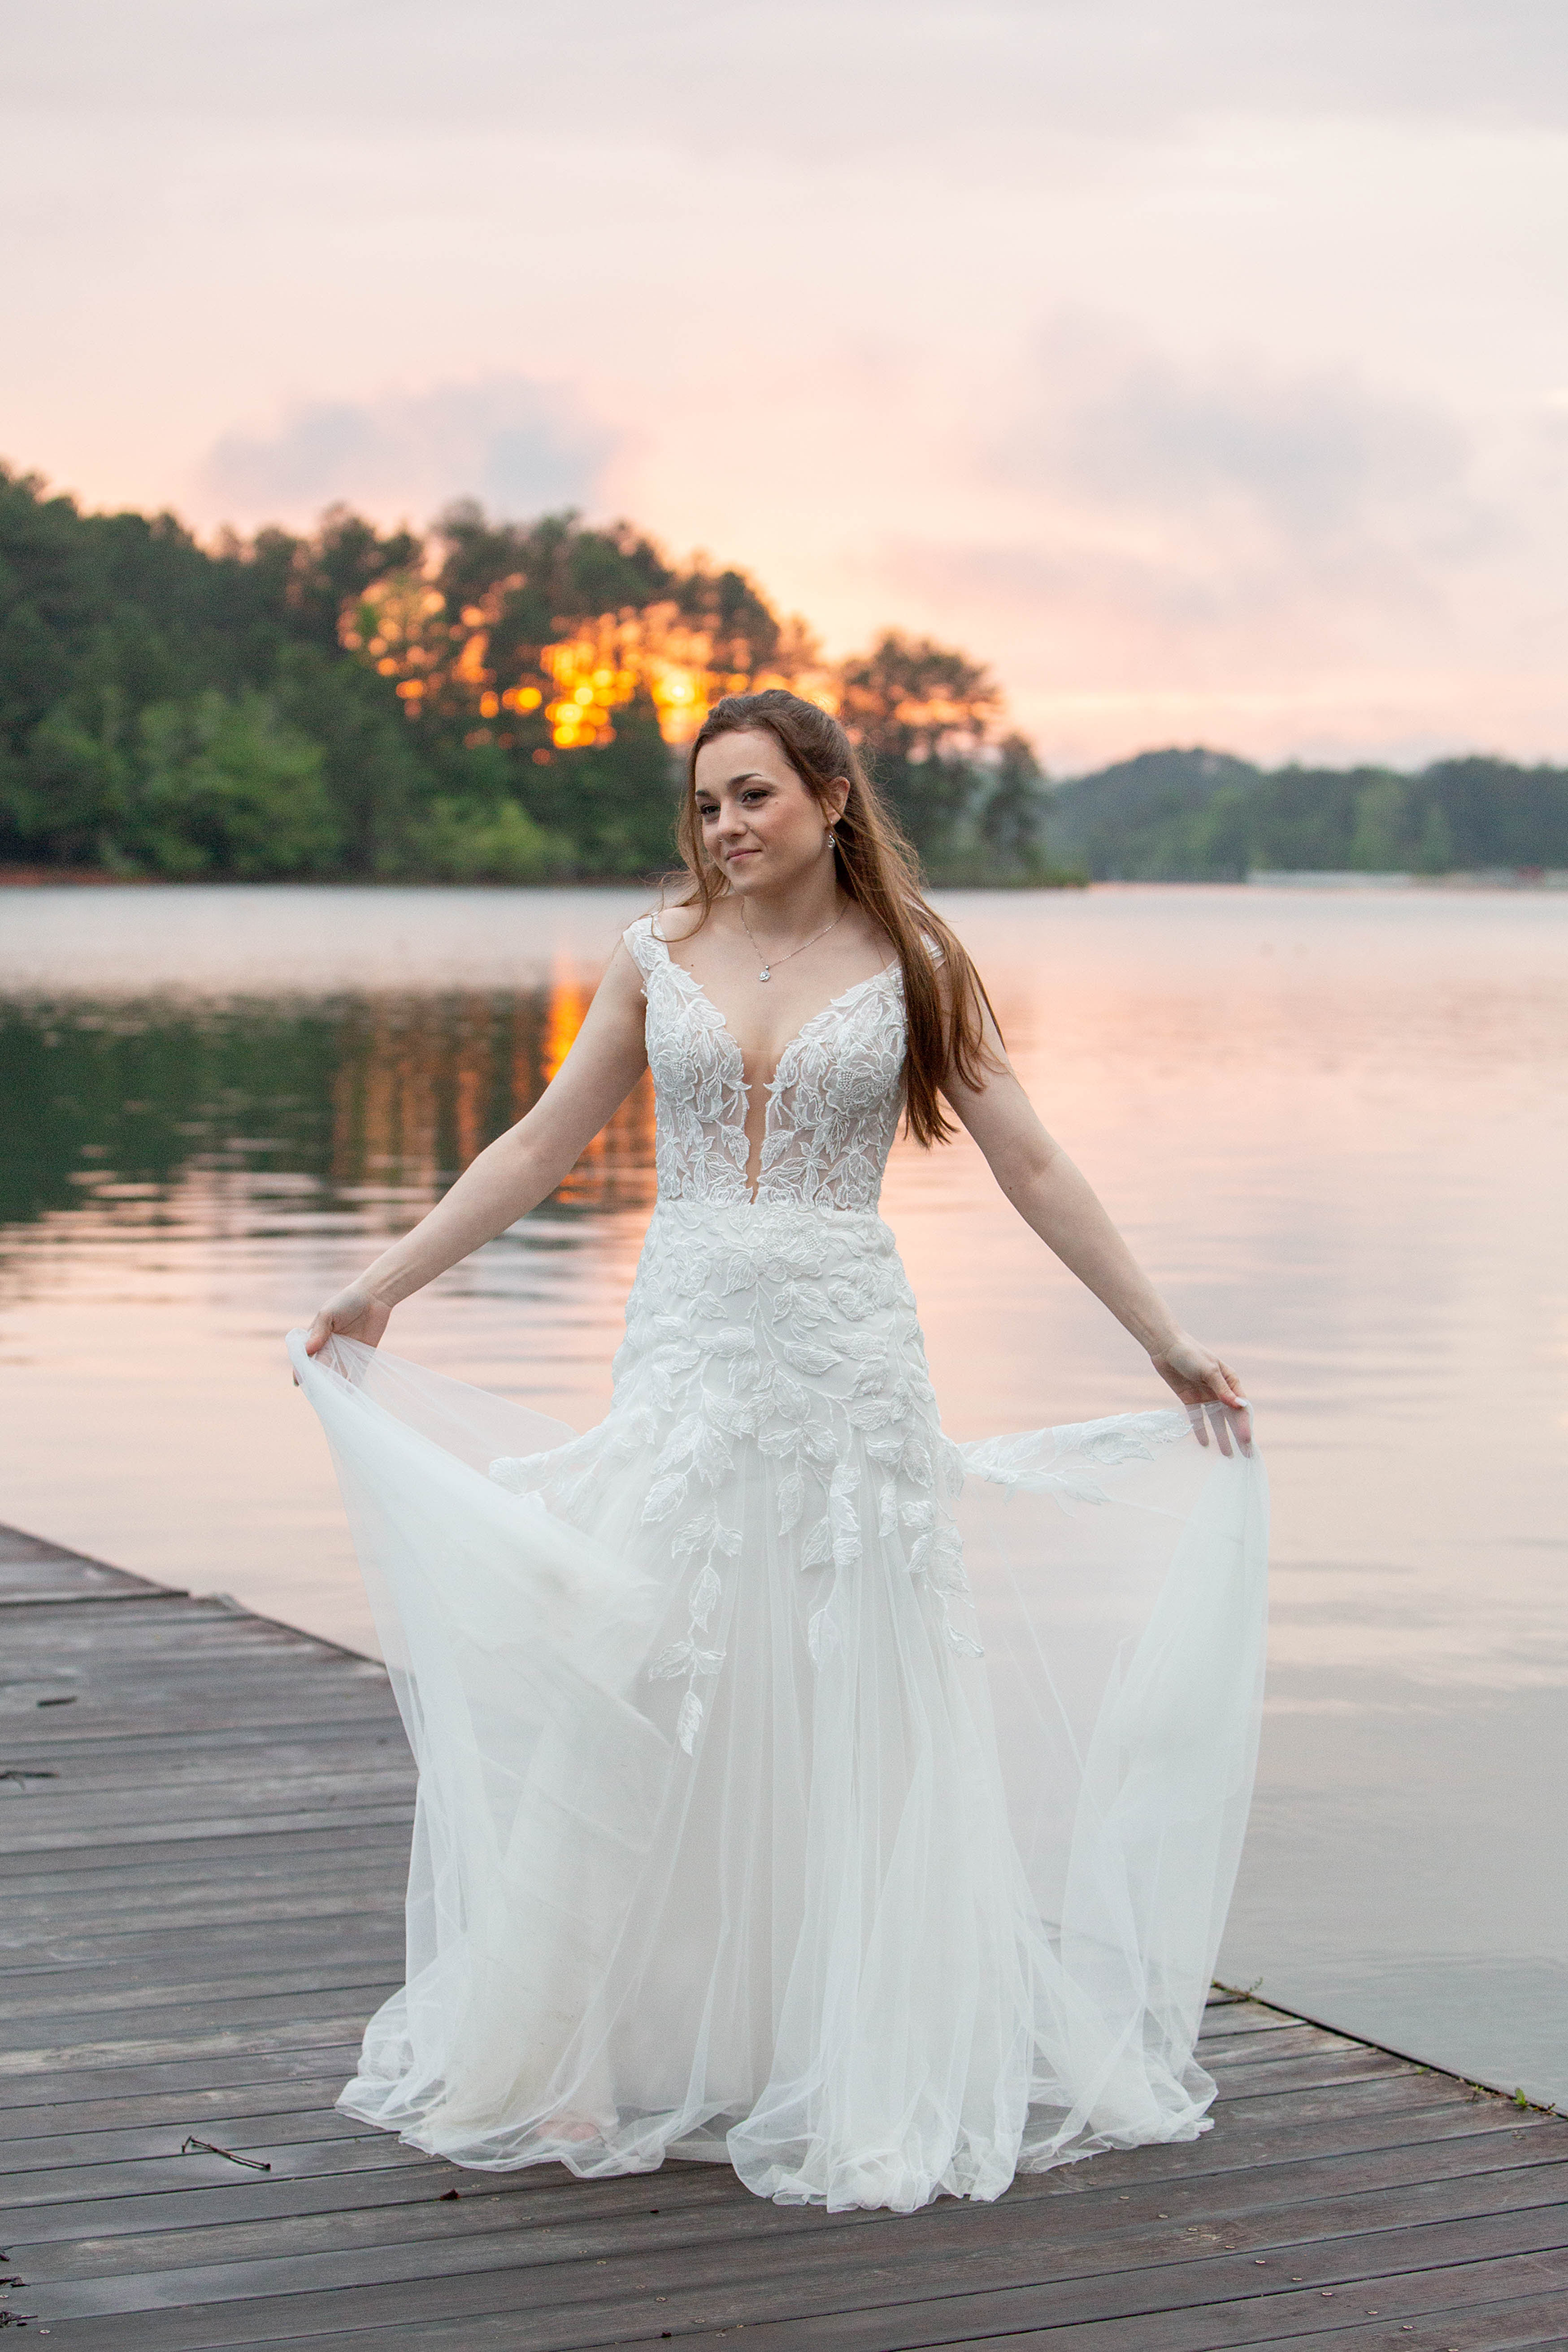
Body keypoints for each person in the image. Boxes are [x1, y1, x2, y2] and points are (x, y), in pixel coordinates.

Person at [291, 688, 1267, 2216]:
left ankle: (845, 2044)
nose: (725, 829)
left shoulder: (918, 965)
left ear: (829, 795)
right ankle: (574, 2053)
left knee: (847, 1687)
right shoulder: (650, 957)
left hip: (843, 1362)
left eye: (750, 797)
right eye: (704, 806)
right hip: (685, 1350)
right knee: (637, 1669)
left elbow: (1030, 1157)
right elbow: (540, 1145)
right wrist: (384, 1282)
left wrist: (1164, 1336)